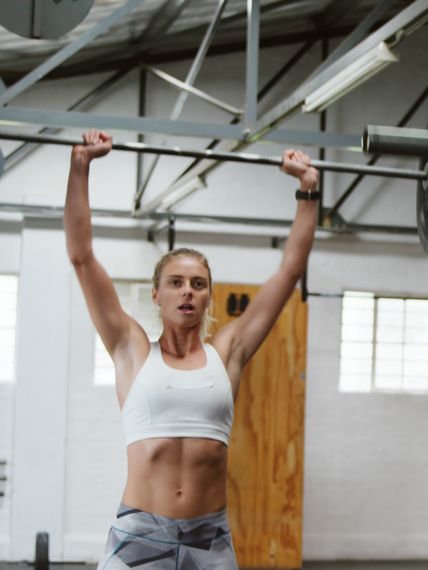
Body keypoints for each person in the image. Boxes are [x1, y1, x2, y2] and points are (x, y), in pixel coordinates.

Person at [64, 130, 319, 569]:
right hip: (141, 533)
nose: (187, 292)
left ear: (207, 298)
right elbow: (82, 256)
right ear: (157, 295)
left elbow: (290, 269)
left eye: (198, 284)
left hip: (209, 537)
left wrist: (308, 188)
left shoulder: (228, 353)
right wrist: (80, 166)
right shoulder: (131, 350)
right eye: (176, 283)